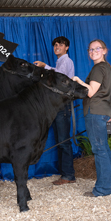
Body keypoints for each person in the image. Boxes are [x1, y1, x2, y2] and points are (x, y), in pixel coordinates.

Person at [72, 39, 111, 197]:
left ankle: (103, 189)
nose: (93, 52)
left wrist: (79, 81)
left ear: (105, 50)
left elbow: (91, 92)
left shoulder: (98, 69)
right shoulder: (108, 69)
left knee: (99, 150)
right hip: (102, 112)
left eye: (97, 48)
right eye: (91, 49)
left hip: (94, 112)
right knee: (104, 149)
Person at [34, 36, 76, 185]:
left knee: (64, 141)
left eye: (60, 44)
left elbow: (60, 78)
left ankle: (68, 175)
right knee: (60, 141)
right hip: (58, 105)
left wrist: (45, 66)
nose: (57, 47)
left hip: (62, 105)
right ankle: (65, 174)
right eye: (55, 45)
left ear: (67, 47)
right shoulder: (60, 62)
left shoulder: (66, 61)